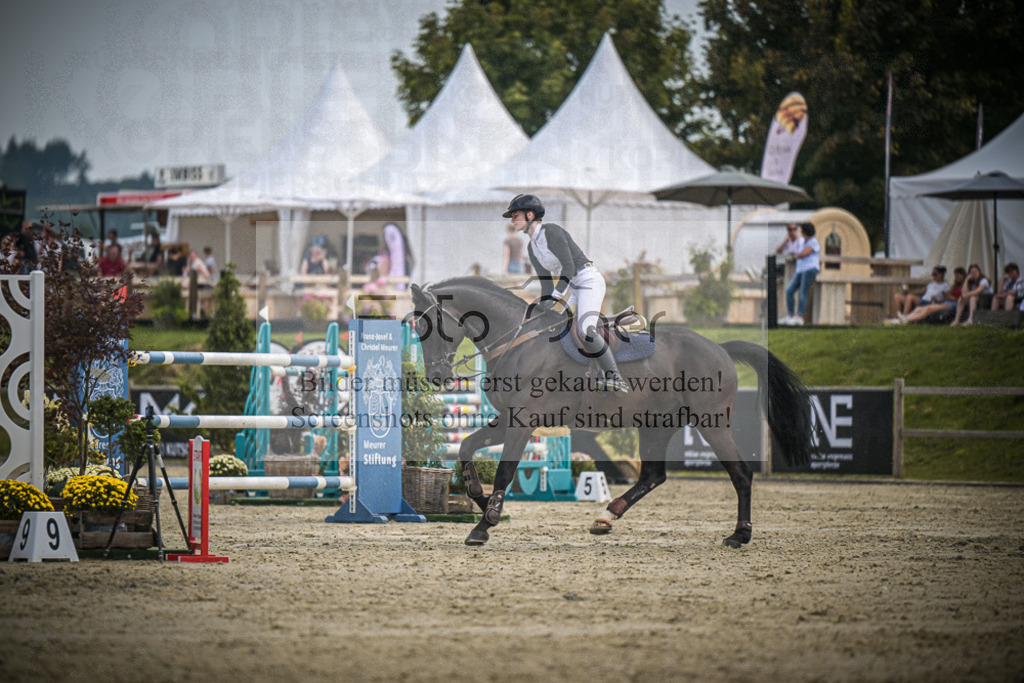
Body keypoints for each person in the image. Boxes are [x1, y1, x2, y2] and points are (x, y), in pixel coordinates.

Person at [504, 193, 627, 392]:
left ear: (529, 215)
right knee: (555, 328)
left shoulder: (551, 232)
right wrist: (540, 306)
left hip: (588, 281)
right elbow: (546, 285)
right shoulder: (532, 247)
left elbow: (568, 267)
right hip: (572, 286)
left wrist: (556, 297)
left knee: (585, 330)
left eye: (515, 215)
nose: (512, 220)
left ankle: (615, 377)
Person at [780, 222, 820, 326]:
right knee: (789, 291)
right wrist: (786, 244)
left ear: (805, 231)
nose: (800, 232)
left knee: (803, 292)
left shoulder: (813, 242)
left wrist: (798, 255)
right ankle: (790, 316)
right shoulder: (802, 241)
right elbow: (792, 250)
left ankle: (799, 317)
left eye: (801, 230)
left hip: (810, 269)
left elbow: (805, 253)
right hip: (800, 270)